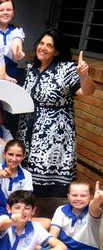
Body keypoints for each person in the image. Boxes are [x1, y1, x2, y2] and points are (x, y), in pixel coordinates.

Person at [17, 29, 95, 197]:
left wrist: (84, 76)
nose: (43, 47)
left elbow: (86, 91)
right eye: (42, 43)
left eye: (49, 45)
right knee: (25, 173)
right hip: (28, 127)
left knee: (43, 176)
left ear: (57, 51)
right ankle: (27, 207)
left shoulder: (66, 68)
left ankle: (37, 211)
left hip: (53, 132)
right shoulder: (31, 67)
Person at [51, 180, 103, 250]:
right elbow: (53, 234)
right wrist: (55, 248)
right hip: (63, 248)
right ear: (68, 196)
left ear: (90, 197)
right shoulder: (61, 210)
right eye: (74, 195)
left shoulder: (93, 212)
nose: (78, 198)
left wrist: (97, 201)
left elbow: (94, 207)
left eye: (83, 196)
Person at [0, 139, 33, 217]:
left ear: (24, 156)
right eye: (10, 154)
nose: (14, 159)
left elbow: (27, 199)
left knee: (47, 222)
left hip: (15, 214)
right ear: (4, 154)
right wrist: (3, 174)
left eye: (18, 155)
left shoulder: (27, 175)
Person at [0, 0, 25, 81]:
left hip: (11, 73)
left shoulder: (17, 31)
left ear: (13, 13)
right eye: (1, 10)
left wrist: (17, 52)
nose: (5, 12)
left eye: (9, 10)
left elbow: (17, 42)